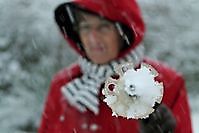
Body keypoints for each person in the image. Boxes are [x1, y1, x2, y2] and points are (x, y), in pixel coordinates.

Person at [38, 0, 192, 132]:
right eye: (85, 27)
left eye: (103, 27)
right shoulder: (63, 85)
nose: (92, 38)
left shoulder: (166, 83)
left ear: (124, 32)